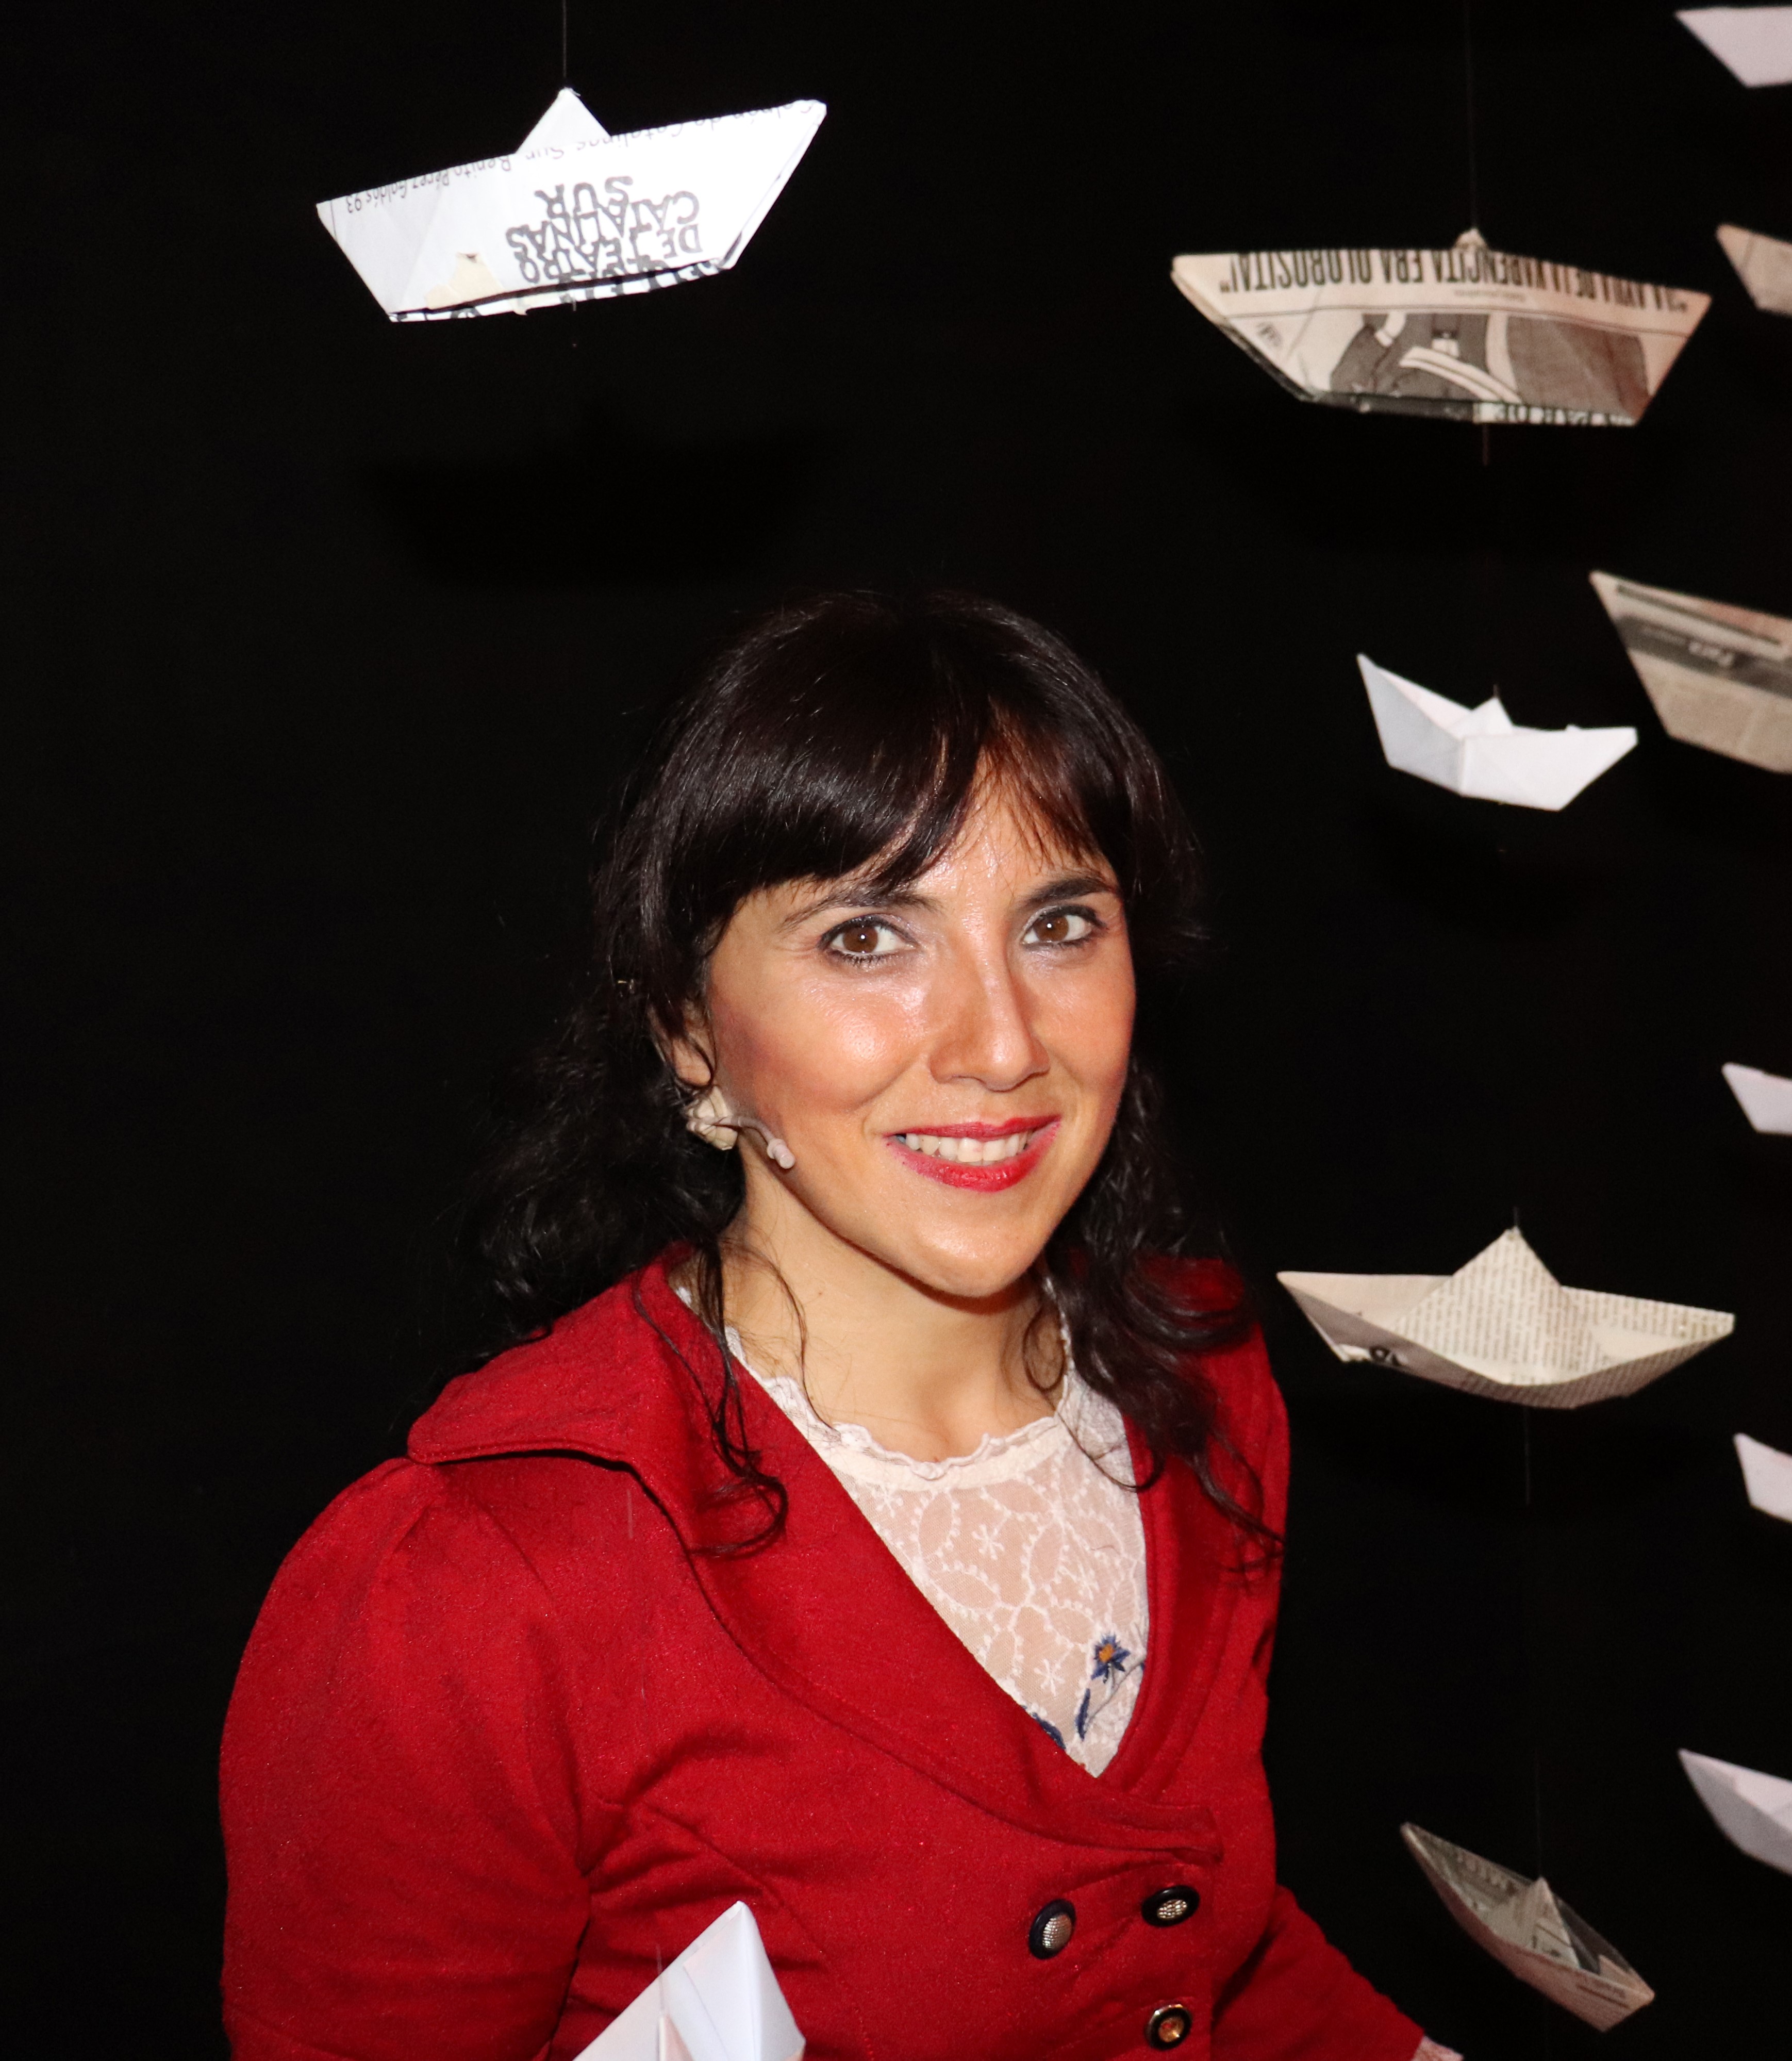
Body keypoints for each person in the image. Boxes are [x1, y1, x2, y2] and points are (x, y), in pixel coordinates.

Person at [220, 592, 1454, 2061]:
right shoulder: (479, 1580)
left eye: (1060, 925)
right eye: (869, 937)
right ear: (686, 1024)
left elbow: (1194, 1946)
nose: (1002, 1044)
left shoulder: (1200, 1379)